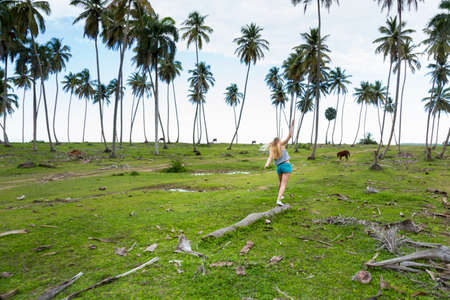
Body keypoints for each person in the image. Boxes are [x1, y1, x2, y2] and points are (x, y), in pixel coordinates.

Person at [264, 121, 294, 206]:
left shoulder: (272, 148)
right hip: (286, 165)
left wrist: (267, 164)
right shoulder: (281, 144)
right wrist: (291, 126)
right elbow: (290, 136)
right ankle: (278, 200)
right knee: (283, 184)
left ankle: (280, 196)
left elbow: (269, 158)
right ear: (279, 141)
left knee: (280, 183)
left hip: (279, 168)